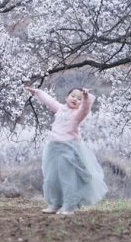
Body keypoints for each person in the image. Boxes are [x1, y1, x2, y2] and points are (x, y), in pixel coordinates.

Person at [25, 86, 108, 215]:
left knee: (67, 178)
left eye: (79, 98)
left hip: (68, 148)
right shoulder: (59, 109)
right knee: (51, 178)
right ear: (66, 97)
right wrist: (36, 92)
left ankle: (69, 206)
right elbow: (49, 100)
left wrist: (86, 97)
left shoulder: (77, 114)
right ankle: (55, 203)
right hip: (53, 148)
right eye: (73, 96)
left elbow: (85, 109)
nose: (75, 99)